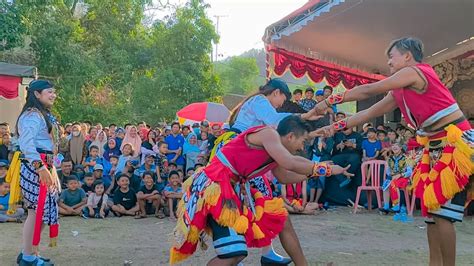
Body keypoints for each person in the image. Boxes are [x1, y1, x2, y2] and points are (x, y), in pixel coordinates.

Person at [313, 37, 474, 266]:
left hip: (455, 144)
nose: (388, 62)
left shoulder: (417, 72)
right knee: (431, 215)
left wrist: (330, 100)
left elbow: (370, 89)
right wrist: (332, 127)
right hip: (434, 147)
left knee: (442, 214)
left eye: (392, 56)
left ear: (407, 55)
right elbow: (366, 114)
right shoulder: (398, 91)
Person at [170, 115, 352, 266]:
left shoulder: (275, 152)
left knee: (282, 219)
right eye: (303, 141)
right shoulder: (268, 134)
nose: (302, 148)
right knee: (233, 254)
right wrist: (323, 169)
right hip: (216, 187)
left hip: (229, 189)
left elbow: (284, 176)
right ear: (290, 136)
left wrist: (315, 172)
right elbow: (291, 162)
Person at [10, 80, 60, 266]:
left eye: (54, 92)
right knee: (35, 211)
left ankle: (31, 252)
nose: (53, 95)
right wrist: (40, 167)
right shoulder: (32, 115)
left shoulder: (41, 114)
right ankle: (29, 257)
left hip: (45, 166)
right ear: (37, 94)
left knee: (41, 211)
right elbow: (27, 144)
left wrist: (51, 167)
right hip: (35, 167)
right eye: (49, 92)